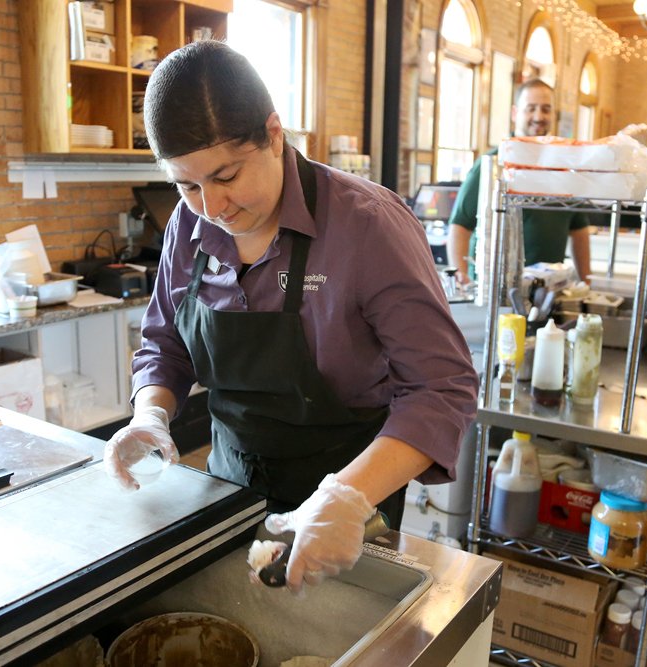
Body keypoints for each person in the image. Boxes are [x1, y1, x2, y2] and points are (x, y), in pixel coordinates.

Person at [102, 40, 479, 593]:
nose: (212, 206)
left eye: (226, 176)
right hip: (229, 485)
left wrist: (346, 498)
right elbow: (164, 344)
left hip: (351, 494)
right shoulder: (189, 226)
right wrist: (149, 414)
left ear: (273, 134)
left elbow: (440, 388)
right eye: (186, 185)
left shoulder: (367, 226)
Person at [446, 78, 592, 285]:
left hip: (547, 290)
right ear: (515, 113)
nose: (538, 116)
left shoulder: (564, 166)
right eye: (530, 109)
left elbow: (579, 231)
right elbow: (459, 226)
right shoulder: (493, 164)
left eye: (546, 109)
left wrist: (586, 283)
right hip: (494, 286)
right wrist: (462, 279)